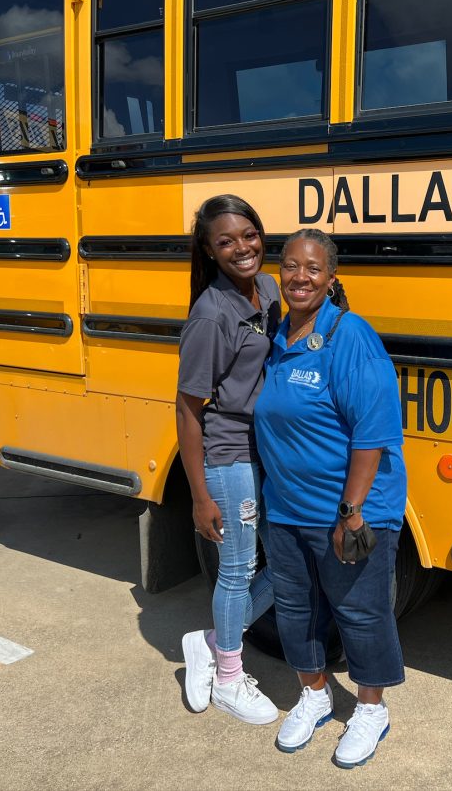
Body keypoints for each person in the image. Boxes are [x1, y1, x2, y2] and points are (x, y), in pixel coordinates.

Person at [254, 229, 407, 768]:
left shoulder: (350, 337)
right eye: (291, 266)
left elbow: (374, 430)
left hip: (349, 512)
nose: (300, 277)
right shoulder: (279, 337)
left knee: (359, 613)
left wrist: (351, 511)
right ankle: (315, 695)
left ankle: (370, 709)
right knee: (295, 611)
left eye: (313, 269)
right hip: (288, 509)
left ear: (331, 278)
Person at [176, 195, 281, 725]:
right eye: (226, 242)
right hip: (228, 457)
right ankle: (228, 678)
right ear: (209, 252)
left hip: (266, 450)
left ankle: (213, 640)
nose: (242, 248)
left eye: (249, 235)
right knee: (239, 570)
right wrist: (199, 495)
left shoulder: (266, 290)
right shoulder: (210, 315)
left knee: (284, 565)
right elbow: (189, 408)